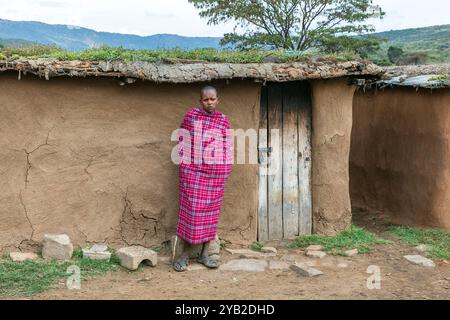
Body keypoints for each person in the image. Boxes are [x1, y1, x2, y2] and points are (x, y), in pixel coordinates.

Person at [173, 85, 233, 272]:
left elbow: (226, 146)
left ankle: (204, 254)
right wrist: (186, 168)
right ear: (200, 101)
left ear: (218, 99)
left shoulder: (222, 120)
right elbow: (182, 142)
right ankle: (184, 255)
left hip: (215, 176)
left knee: (210, 215)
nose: (209, 102)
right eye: (205, 99)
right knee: (191, 213)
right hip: (194, 174)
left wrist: (224, 169)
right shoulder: (191, 117)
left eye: (212, 99)